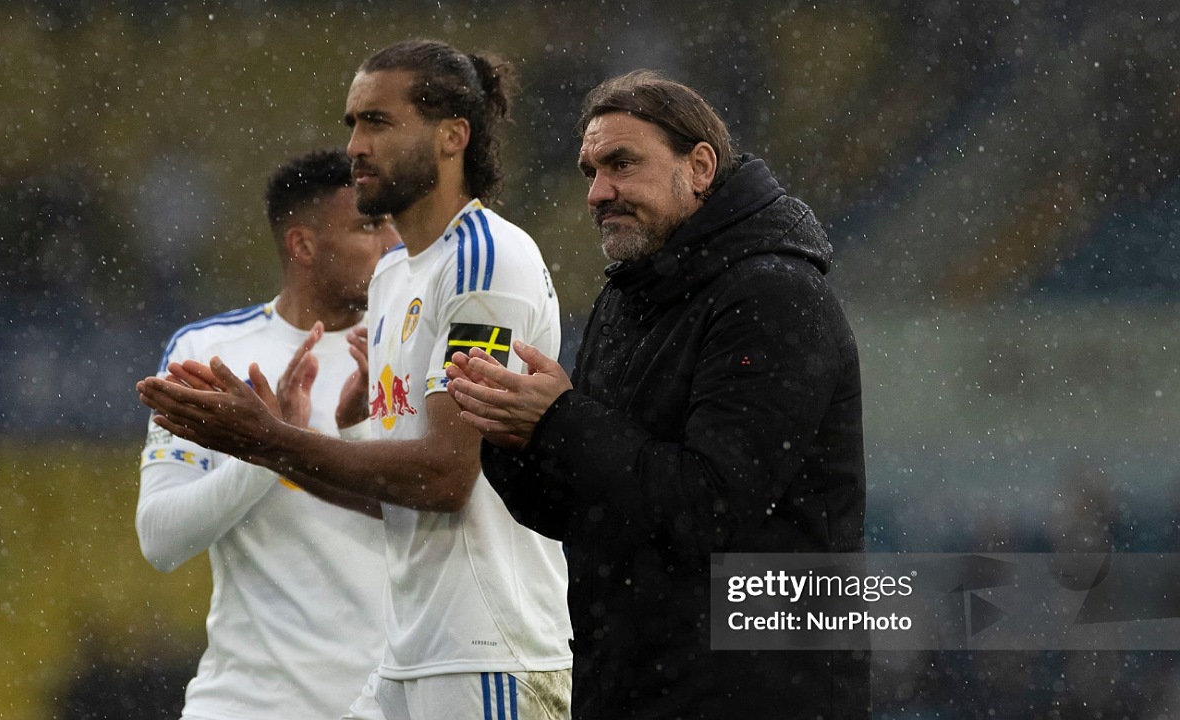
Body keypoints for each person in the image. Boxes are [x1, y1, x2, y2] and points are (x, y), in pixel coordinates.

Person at [137, 40, 573, 720]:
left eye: (378, 122)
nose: (356, 146)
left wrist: (269, 441)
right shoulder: (398, 278)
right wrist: (277, 443)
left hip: (485, 649)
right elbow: (397, 501)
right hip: (408, 655)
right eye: (352, 124)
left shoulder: (487, 259)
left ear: (452, 136)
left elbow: (445, 479)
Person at [446, 70, 869, 719]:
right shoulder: (629, 296)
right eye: (590, 170)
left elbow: (710, 507)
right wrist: (509, 432)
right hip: (631, 682)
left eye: (621, 164)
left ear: (699, 167)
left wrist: (558, 419)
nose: (597, 193)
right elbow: (579, 511)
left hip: (756, 692)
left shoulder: (774, 297)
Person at [136, 148, 397, 720]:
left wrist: (287, 444)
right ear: (302, 246)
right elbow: (160, 539)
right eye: (367, 227)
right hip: (248, 705)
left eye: (389, 224)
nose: (390, 244)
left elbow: (437, 508)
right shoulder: (210, 354)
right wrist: (265, 448)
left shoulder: (411, 351)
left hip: (389, 703)